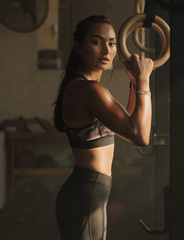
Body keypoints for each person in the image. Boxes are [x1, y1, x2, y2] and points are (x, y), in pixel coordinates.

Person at [54, 15, 153, 240]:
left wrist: (135, 83)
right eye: (96, 42)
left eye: (111, 43)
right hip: (86, 191)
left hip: (89, 191)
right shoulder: (89, 90)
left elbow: (126, 124)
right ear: (78, 47)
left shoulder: (86, 87)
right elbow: (140, 135)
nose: (106, 51)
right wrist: (145, 82)